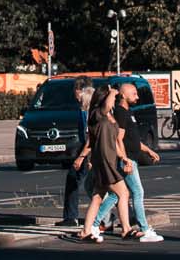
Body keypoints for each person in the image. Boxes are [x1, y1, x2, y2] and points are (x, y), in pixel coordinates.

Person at [92, 79, 163, 242]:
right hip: (128, 159)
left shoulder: (128, 112)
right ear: (123, 95)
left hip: (131, 157)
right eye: (134, 94)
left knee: (116, 195)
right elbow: (119, 138)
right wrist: (124, 159)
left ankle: (94, 224)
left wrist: (148, 150)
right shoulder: (121, 113)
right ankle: (144, 229)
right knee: (137, 192)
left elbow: (133, 139)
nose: (137, 97)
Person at [79, 83, 135, 243]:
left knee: (97, 197)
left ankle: (85, 231)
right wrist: (112, 91)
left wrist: (124, 157)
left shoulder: (109, 116)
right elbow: (92, 142)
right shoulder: (97, 114)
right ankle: (126, 229)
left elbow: (115, 142)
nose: (114, 99)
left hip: (109, 159)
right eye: (111, 96)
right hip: (103, 161)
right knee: (123, 193)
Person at [61, 79, 95, 228]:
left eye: (78, 94)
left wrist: (82, 157)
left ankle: (72, 217)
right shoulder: (84, 111)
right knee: (87, 184)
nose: (77, 98)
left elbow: (90, 138)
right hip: (86, 150)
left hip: (88, 152)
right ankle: (71, 217)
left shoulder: (88, 112)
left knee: (95, 186)